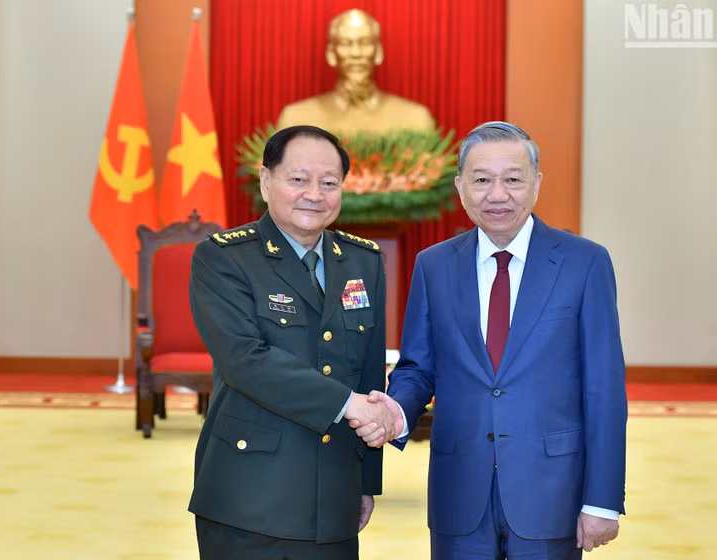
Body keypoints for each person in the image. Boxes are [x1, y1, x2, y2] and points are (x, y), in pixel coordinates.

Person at [360, 121, 627, 559]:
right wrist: (396, 412)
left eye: (513, 179)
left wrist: (601, 500)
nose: (497, 194)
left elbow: (604, 390)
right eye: (482, 180)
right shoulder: (434, 265)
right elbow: (418, 368)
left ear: (536, 184)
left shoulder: (585, 263)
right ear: (460, 186)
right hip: (458, 490)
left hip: (552, 491)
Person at [187, 125, 395, 559]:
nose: (314, 194)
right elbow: (245, 360)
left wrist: (365, 483)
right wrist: (348, 404)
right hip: (248, 497)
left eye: (329, 183)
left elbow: (370, 373)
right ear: (266, 181)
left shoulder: (363, 261)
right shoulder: (224, 257)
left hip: (333, 498)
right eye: (298, 179)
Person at [276, 9, 435, 134]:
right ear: (331, 53)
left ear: (378, 52)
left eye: (365, 43)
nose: (356, 53)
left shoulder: (415, 119)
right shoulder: (296, 119)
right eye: (346, 43)